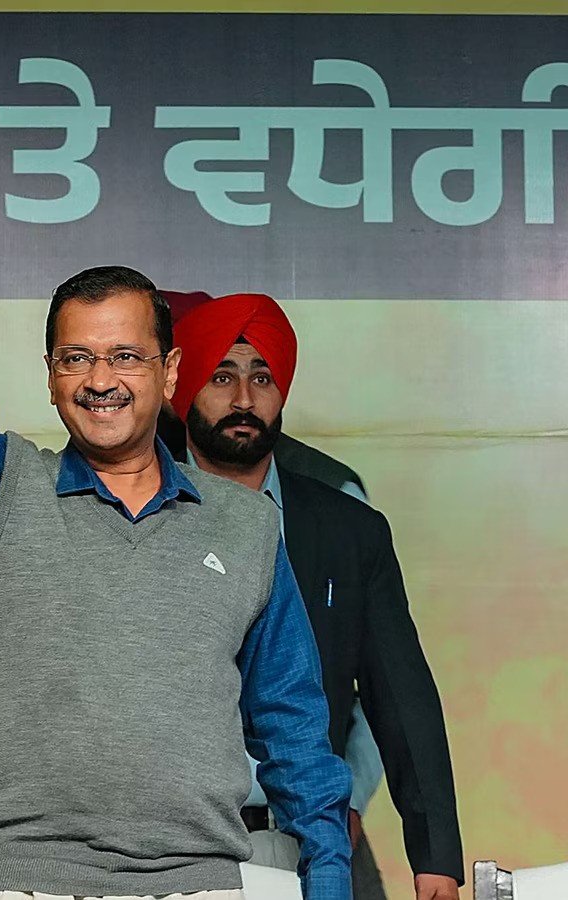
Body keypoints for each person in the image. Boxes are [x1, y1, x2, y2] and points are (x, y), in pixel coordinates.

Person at [0, 65, 351, 900]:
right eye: (77, 358)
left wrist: (329, 881)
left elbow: (294, 727)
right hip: (27, 881)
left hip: (199, 884)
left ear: (169, 373)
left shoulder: (245, 525)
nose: (101, 379)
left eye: (126, 357)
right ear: (50, 376)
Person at [173, 293, 463, 900]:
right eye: (221, 377)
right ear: (184, 386)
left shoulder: (348, 529)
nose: (244, 399)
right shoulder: (134, 514)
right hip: (163, 846)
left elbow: (399, 693)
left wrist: (435, 856)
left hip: (305, 845)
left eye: (262, 378)